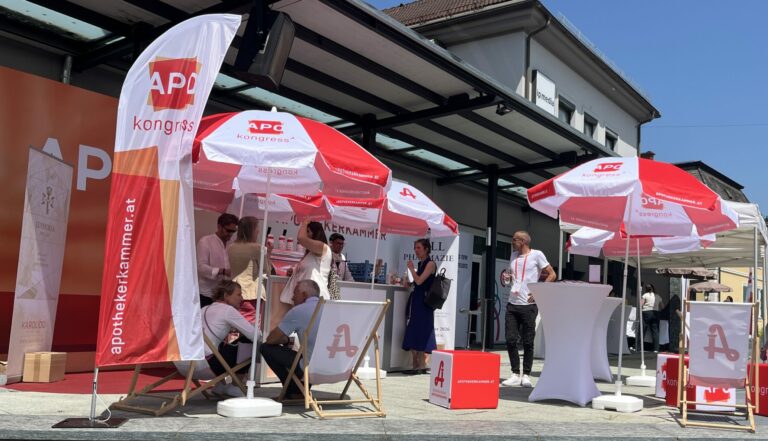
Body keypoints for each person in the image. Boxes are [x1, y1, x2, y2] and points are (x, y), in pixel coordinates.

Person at [501, 231, 555, 388]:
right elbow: (512, 275)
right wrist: (508, 278)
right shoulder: (513, 256)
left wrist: (539, 291)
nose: (512, 241)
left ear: (523, 241)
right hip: (512, 302)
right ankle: (514, 373)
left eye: (514, 239)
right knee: (510, 339)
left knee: (527, 341)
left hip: (529, 305)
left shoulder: (537, 255)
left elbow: (552, 274)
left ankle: (526, 375)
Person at [261, 279, 322, 401]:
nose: (292, 298)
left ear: (304, 295)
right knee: (307, 352)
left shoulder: (299, 311)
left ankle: (293, 391)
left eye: (295, 294)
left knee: (265, 348)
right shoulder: (332, 309)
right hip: (338, 368)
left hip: (310, 368)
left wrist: (285, 341)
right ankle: (299, 390)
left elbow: (271, 339)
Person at [200, 280, 257, 396]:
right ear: (226, 295)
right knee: (251, 343)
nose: (242, 298)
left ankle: (220, 385)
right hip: (208, 365)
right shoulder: (228, 310)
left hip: (189, 363)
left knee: (227, 343)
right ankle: (235, 386)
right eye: (238, 294)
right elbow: (255, 335)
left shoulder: (204, 308)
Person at [401, 238, 437, 375]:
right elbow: (417, 283)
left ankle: (420, 364)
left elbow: (420, 281)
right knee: (415, 329)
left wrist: (411, 269)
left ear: (426, 249)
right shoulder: (421, 263)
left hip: (425, 303)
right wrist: (408, 282)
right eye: (415, 248)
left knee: (422, 331)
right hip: (418, 300)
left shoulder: (430, 263)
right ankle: (417, 364)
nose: (416, 251)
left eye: (419, 248)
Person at [227, 216, 272, 323]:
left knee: (234, 324)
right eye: (257, 229)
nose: (258, 231)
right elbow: (266, 270)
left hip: (233, 290)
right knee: (250, 325)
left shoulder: (231, 247)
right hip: (251, 293)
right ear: (252, 231)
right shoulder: (257, 248)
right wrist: (268, 254)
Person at [280, 220, 332, 304]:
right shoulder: (310, 253)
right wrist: (294, 271)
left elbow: (301, 238)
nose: (305, 234)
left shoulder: (323, 247)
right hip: (306, 297)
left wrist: (305, 222)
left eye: (307, 231)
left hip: (315, 297)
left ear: (315, 233)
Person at [197, 213, 238, 307]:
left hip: (224, 296)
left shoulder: (232, 245)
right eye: (228, 230)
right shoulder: (205, 242)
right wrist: (222, 271)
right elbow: (201, 268)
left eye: (233, 231)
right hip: (207, 294)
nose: (231, 234)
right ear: (219, 227)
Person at [641, 283, 660, 353]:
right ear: (653, 288)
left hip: (646, 312)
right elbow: (663, 306)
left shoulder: (645, 295)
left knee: (642, 329)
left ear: (646, 289)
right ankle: (656, 349)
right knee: (655, 331)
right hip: (656, 313)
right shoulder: (657, 296)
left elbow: (641, 304)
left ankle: (639, 347)